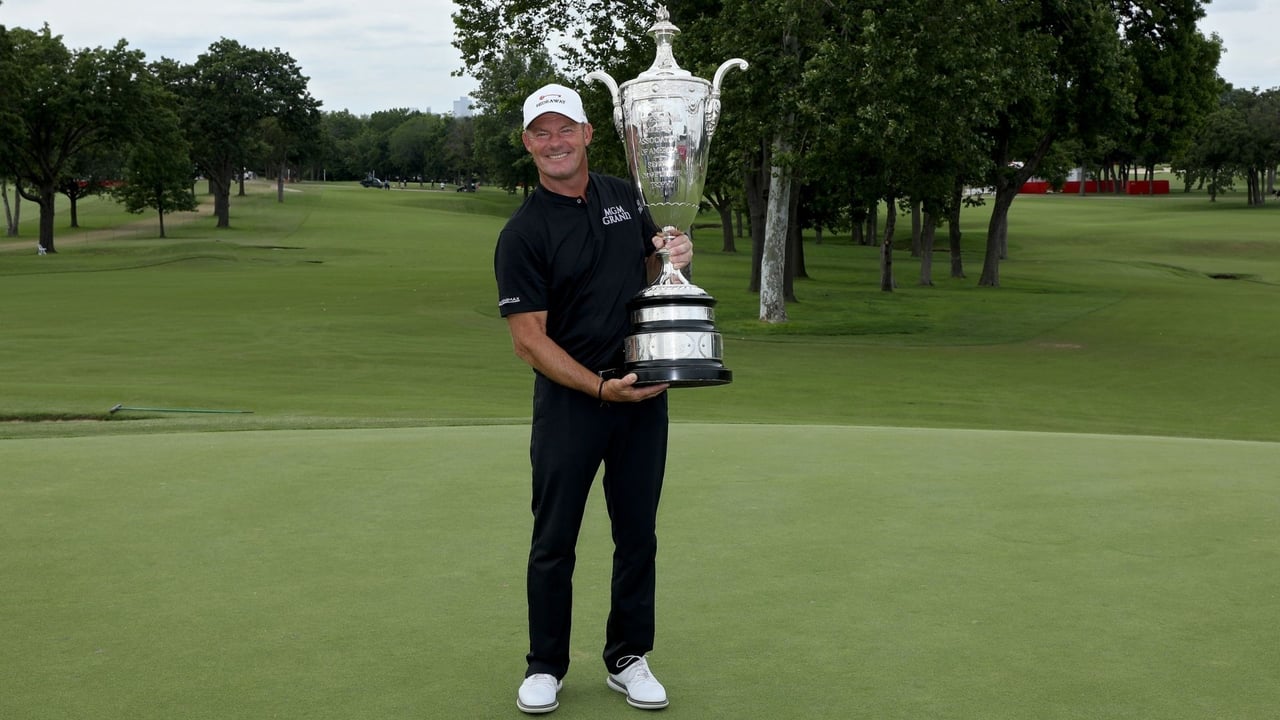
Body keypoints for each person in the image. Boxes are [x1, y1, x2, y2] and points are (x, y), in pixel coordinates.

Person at [494, 83, 692, 714]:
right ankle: (545, 665)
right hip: (571, 403)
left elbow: (652, 270)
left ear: (587, 134)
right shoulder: (522, 234)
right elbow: (529, 341)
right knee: (555, 538)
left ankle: (628, 657)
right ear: (528, 143)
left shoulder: (626, 196)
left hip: (643, 387)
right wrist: (601, 388)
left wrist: (677, 254)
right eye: (542, 133)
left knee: (638, 534)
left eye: (565, 129)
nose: (555, 143)